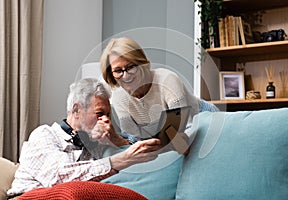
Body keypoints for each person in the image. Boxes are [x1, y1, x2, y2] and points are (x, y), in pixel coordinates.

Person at [7, 78, 160, 198]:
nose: (106, 120)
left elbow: (139, 151)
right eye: (99, 114)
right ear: (76, 110)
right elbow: (59, 178)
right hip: (29, 196)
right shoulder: (44, 134)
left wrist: (116, 139)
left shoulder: (98, 141)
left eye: (108, 115)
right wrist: (120, 160)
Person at [100, 37, 219, 140]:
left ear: (142, 64)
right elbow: (133, 140)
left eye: (130, 67)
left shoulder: (167, 80)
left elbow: (182, 130)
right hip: (166, 136)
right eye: (118, 71)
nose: (125, 76)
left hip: (202, 120)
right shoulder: (119, 97)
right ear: (111, 74)